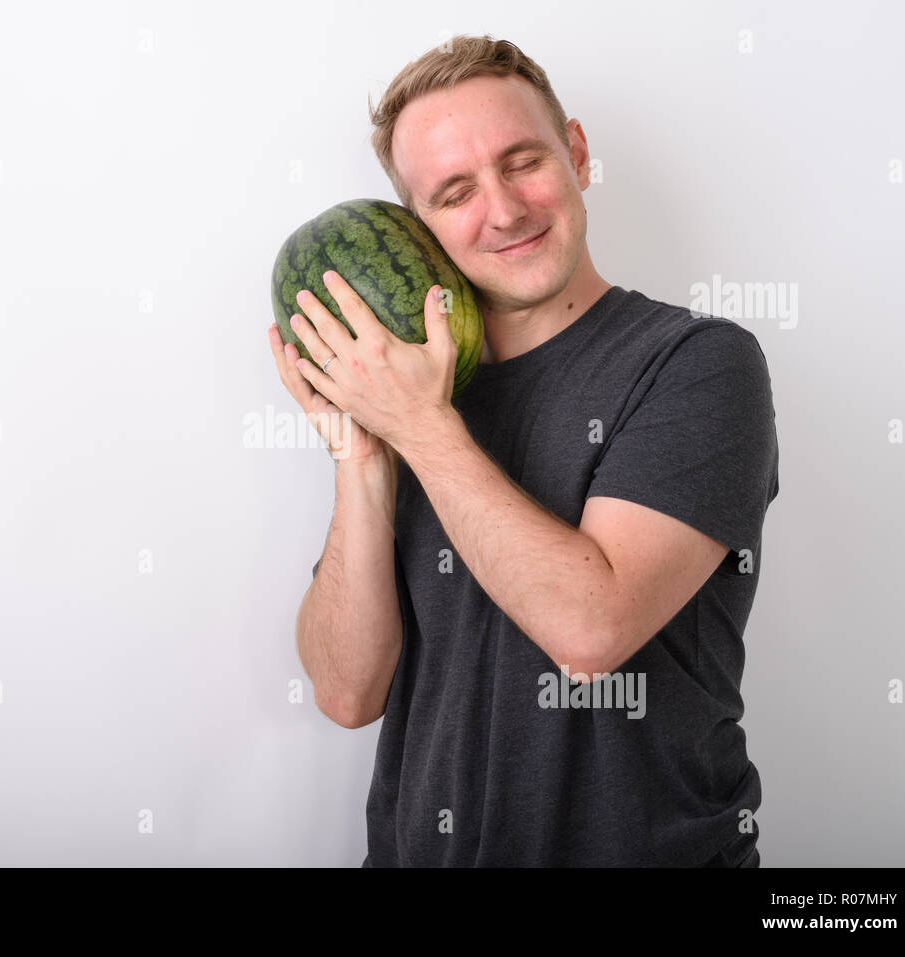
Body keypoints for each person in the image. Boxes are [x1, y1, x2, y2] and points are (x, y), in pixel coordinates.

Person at [266, 35, 779, 867]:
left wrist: (421, 427)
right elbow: (346, 690)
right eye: (456, 191)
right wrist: (362, 455)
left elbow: (590, 630)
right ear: (418, 224)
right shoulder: (413, 390)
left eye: (524, 161)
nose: (503, 211)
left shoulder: (695, 362)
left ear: (576, 152)